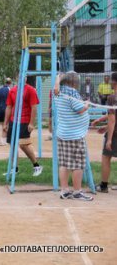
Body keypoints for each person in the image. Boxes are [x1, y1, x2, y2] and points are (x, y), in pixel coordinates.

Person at [53, 72, 93, 201]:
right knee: (78, 164)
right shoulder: (72, 92)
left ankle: (64, 191)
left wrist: (57, 78)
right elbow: (80, 109)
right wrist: (87, 104)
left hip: (63, 133)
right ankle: (77, 191)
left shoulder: (58, 92)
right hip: (74, 135)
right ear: (73, 82)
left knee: (64, 163)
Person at [3, 75, 43, 176]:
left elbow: (34, 107)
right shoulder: (12, 90)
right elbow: (9, 107)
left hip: (25, 121)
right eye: (19, 76)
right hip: (13, 121)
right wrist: (5, 123)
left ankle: (37, 165)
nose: (21, 78)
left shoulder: (30, 90)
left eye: (23, 76)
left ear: (26, 78)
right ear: (16, 78)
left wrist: (31, 123)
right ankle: (14, 169)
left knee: (23, 144)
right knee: (12, 145)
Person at [93, 72, 117, 193]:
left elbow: (113, 120)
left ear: (113, 82)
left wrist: (109, 139)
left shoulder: (112, 98)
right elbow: (112, 117)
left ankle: (103, 186)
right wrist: (102, 121)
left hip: (115, 134)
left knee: (106, 158)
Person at [0, 78, 12, 145]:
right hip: (6, 108)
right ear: (10, 83)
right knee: (7, 124)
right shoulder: (9, 90)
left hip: (0, 108)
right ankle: (4, 140)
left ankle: (2, 139)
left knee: (3, 124)